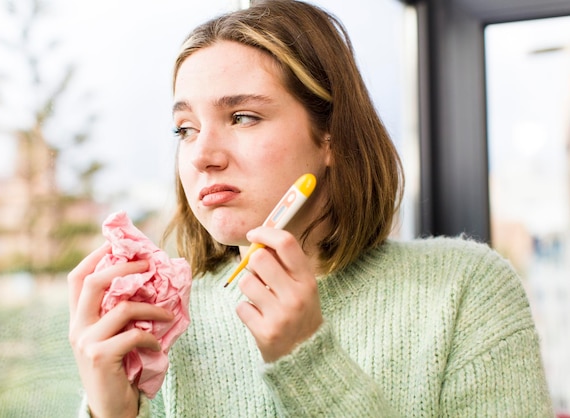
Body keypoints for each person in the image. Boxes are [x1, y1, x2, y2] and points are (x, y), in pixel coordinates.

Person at [68, 0, 554, 416]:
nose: (201, 155)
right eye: (185, 129)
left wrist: (308, 361)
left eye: (242, 117)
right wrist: (110, 412)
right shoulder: (160, 326)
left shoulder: (465, 290)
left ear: (330, 137)